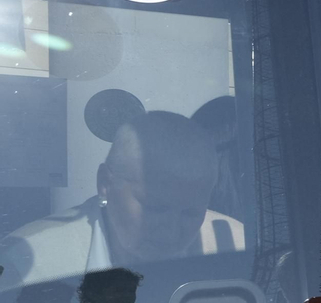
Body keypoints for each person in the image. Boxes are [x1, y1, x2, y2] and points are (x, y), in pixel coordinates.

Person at [0, 111, 245, 292]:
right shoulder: (28, 266)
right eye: (155, 208)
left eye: (191, 213)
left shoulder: (238, 248)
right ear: (105, 184)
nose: (170, 231)